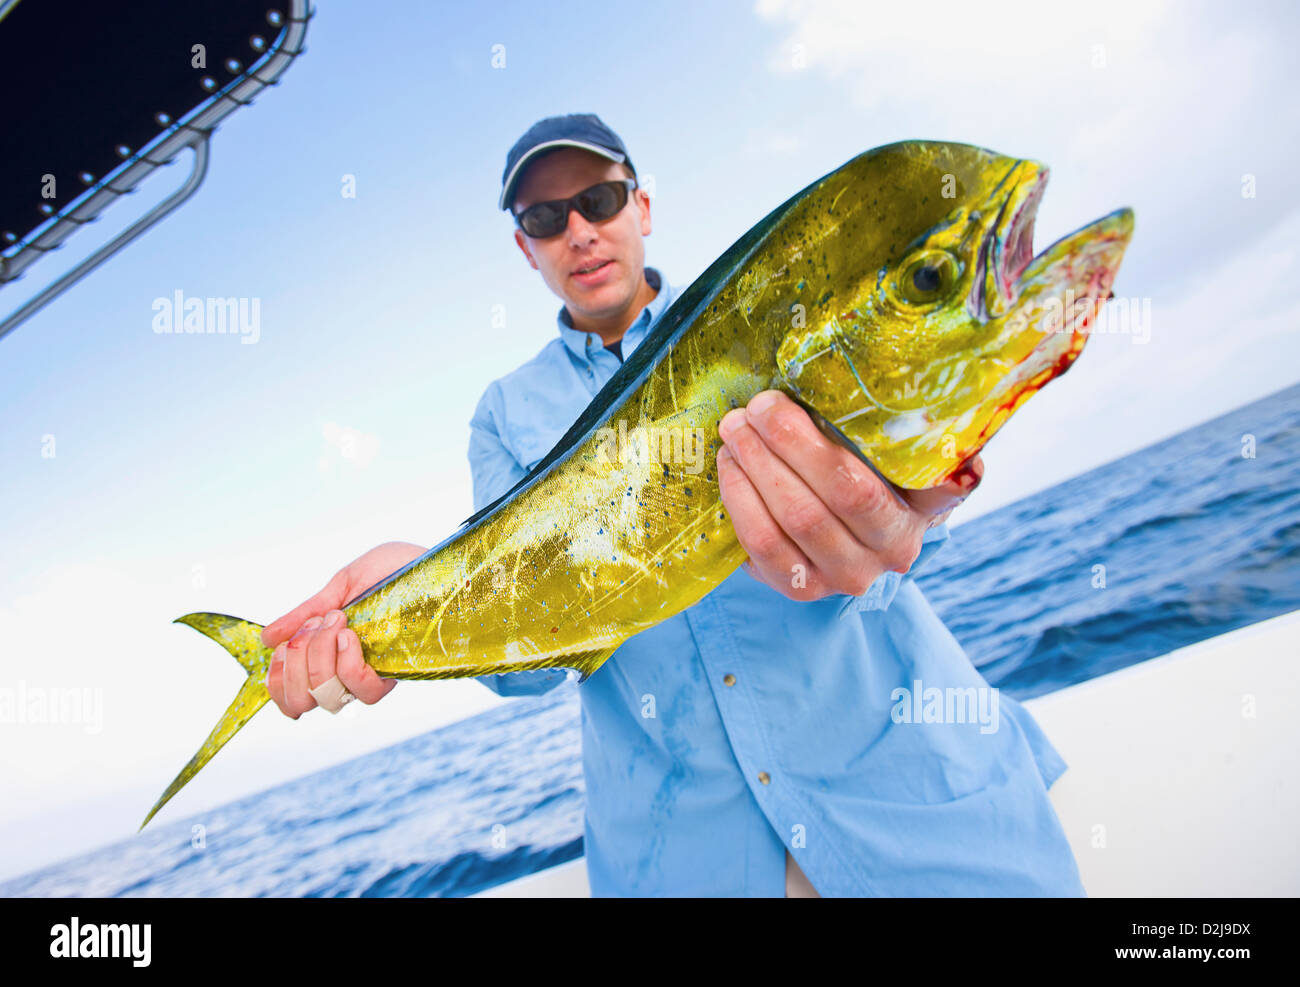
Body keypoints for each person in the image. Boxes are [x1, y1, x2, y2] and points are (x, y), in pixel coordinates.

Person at [259, 113, 1086, 898]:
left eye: (600, 199)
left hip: (911, 810)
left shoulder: (773, 314)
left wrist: (924, 504)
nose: (579, 229)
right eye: (547, 216)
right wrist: (403, 608)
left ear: (641, 205)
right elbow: (535, 661)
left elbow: (908, 537)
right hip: (688, 861)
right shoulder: (505, 413)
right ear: (526, 248)